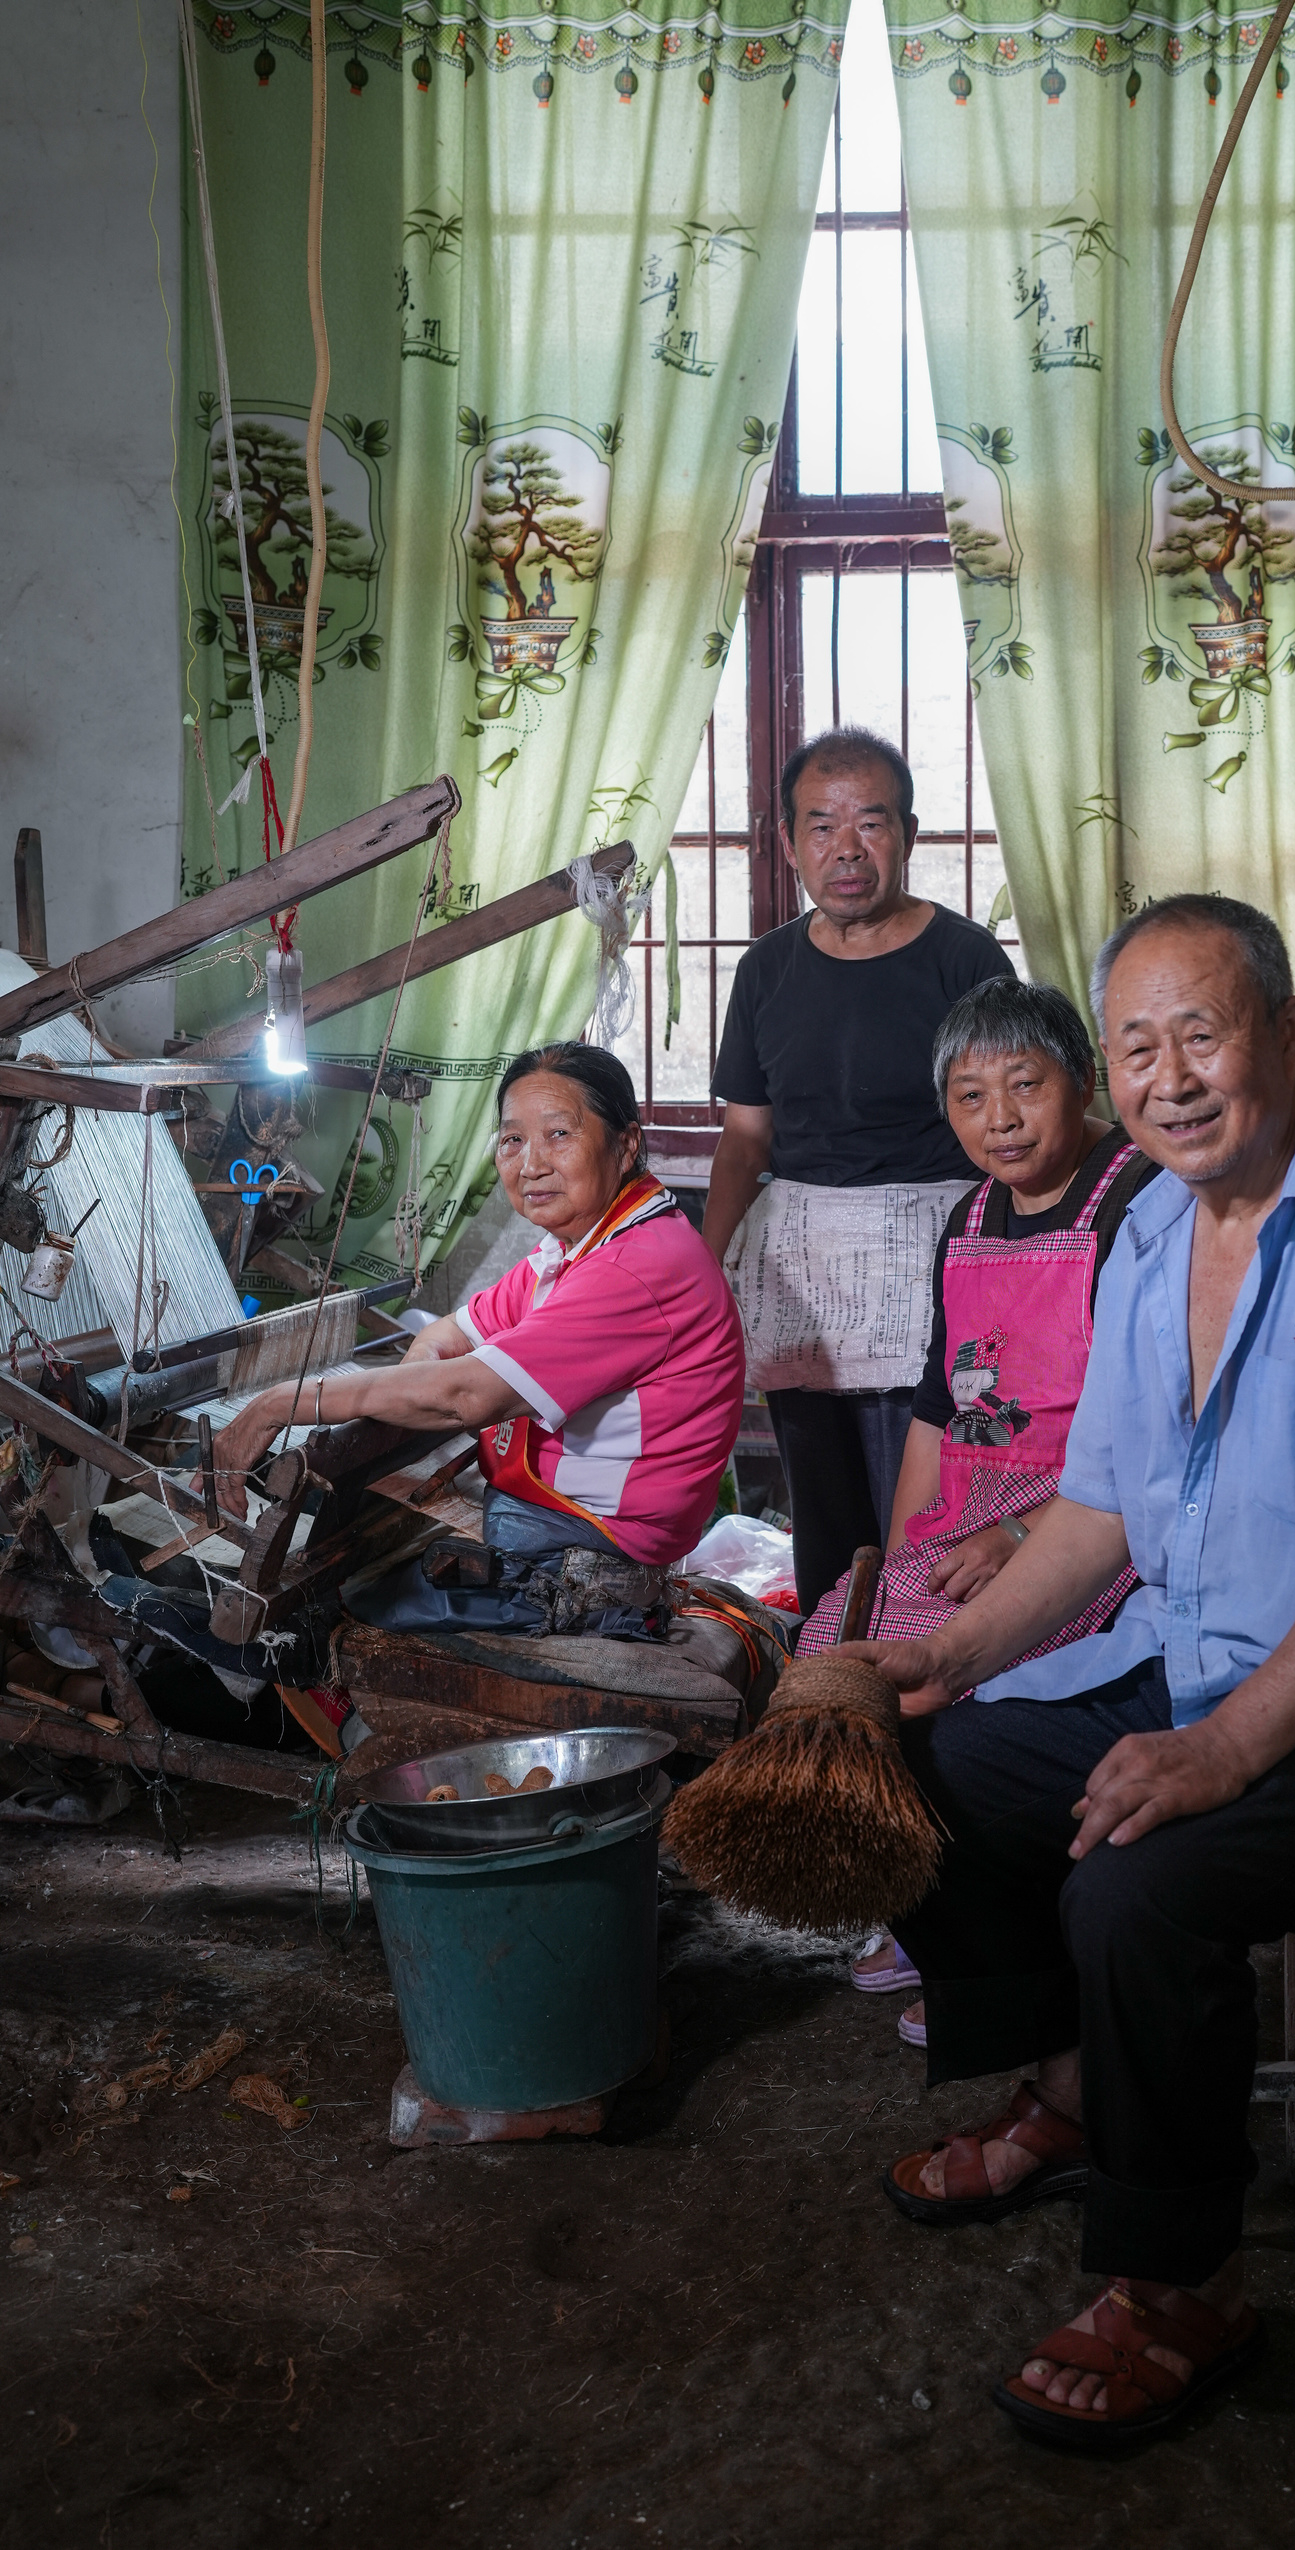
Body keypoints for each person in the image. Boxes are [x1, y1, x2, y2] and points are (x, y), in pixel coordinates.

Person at [843, 894, 1295, 2453]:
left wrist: (1219, 1759)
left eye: (1201, 1034)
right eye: (1136, 1046)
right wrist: (945, 1653)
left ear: (1284, 1031)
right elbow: (1100, 1510)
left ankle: (1180, 2277)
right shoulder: (1147, 1226)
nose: (1168, 1077)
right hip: (1194, 1661)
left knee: (1135, 1881)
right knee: (932, 1760)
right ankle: (1083, 2097)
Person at [790, 976, 1153, 2037]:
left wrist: (1022, 1538)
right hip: (975, 1512)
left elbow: (1151, 1432)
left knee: (962, 1696)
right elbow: (942, 1404)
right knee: (838, 1642)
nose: (997, 1118)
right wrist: (910, 1547)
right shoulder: (969, 1213)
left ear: (1079, 1079)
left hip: (1092, 1519)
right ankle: (926, 1905)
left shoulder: (1134, 1199)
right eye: (967, 1095)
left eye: (1022, 1086)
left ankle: (1002, 1924)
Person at [205, 1044, 745, 1569]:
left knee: (346, 1588)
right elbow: (448, 1334)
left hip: (595, 1535)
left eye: (559, 1134)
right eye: (513, 1139)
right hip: (565, 1513)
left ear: (626, 1145)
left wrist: (276, 1404)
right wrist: (410, 1397)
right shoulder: (579, 1247)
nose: (531, 1164)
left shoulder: (635, 1267)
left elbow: (466, 1396)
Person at [704, 726, 1014, 1615]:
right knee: (826, 1522)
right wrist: (705, 1268)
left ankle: (917, 1689)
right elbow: (745, 1140)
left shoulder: (965, 961)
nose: (847, 850)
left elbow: (1011, 1125)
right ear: (789, 842)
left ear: (908, 835)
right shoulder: (766, 968)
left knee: (920, 1515)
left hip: (932, 1261)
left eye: (870, 824)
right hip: (799, 1266)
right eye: (822, 827)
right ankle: (826, 1701)